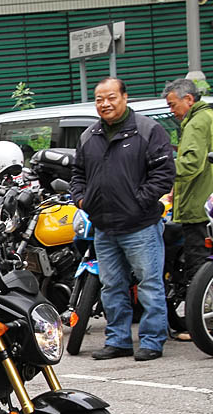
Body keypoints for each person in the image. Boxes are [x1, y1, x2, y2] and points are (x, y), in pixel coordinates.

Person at [71, 77, 175, 361]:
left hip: (140, 225)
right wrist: (82, 200)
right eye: (99, 99)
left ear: (125, 98)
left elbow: (164, 175)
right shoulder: (89, 136)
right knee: (112, 286)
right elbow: (77, 176)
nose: (105, 104)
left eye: (111, 97)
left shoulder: (148, 130)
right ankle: (118, 341)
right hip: (103, 226)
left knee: (149, 284)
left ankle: (152, 341)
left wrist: (137, 202)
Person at [163, 78, 213, 341]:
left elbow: (191, 164)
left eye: (173, 105)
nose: (172, 110)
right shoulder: (209, 118)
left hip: (197, 208)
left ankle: (201, 325)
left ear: (189, 100)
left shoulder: (196, 122)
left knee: (198, 268)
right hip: (206, 204)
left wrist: (162, 172)